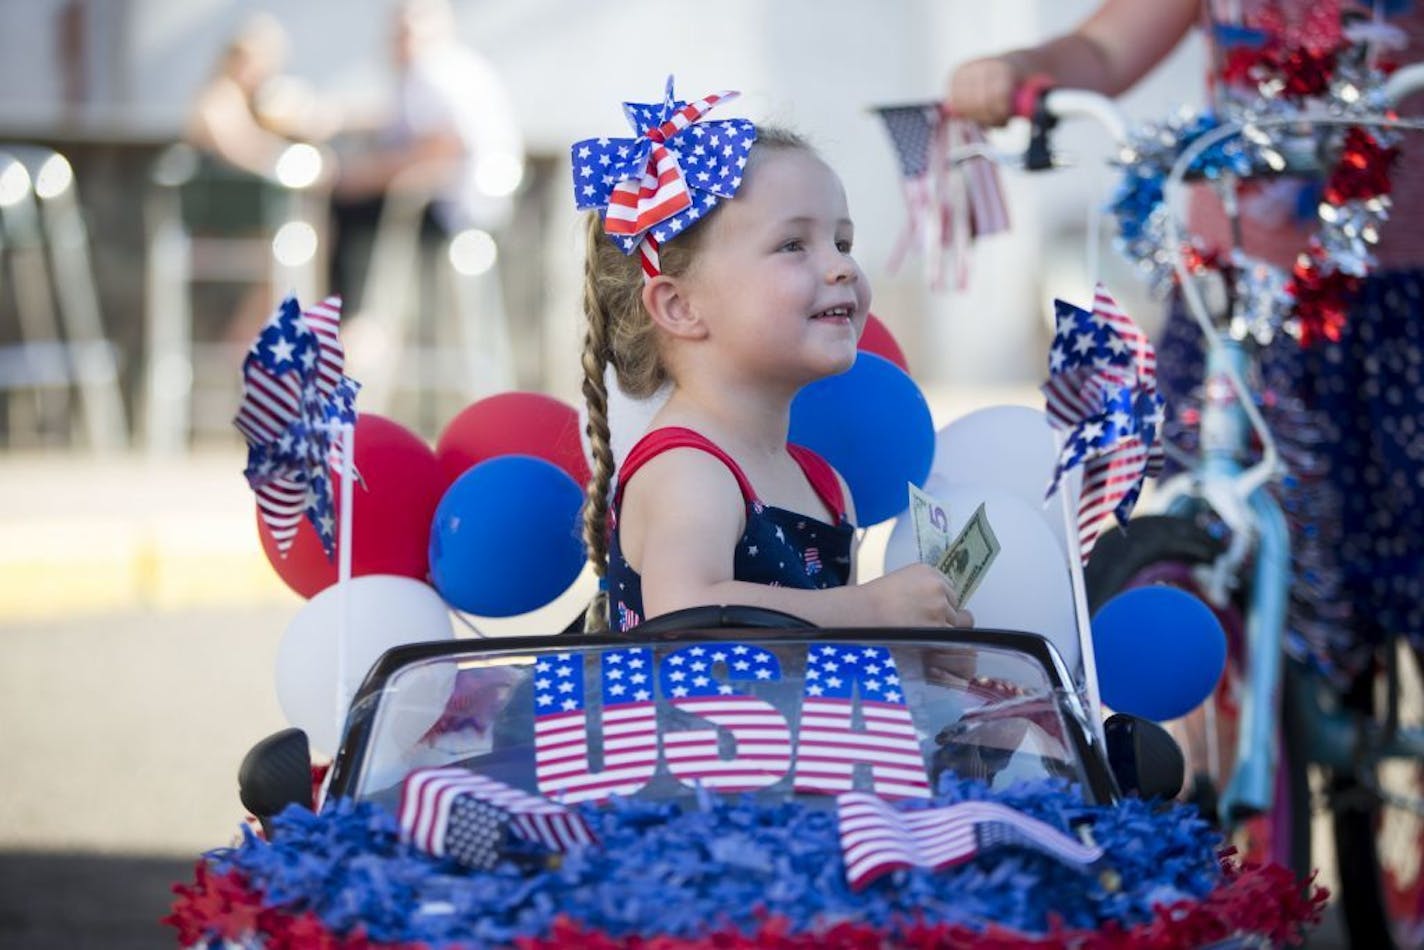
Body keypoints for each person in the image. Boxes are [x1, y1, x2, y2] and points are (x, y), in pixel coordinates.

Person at [946, 1, 1424, 684]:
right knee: (1219, 552)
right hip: (1228, 304)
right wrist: (1020, 69)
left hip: (1394, 307)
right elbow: (1106, 50)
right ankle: (1241, 746)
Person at [574, 81, 975, 633]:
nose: (842, 268)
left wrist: (918, 656)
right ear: (679, 305)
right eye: (793, 246)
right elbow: (684, 614)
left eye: (843, 242)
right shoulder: (689, 469)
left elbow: (826, 659)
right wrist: (875, 611)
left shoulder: (825, 485)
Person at [328, 0, 523, 303]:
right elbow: (398, 123)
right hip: (487, 209)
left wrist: (356, 177)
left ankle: (349, 323)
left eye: (407, 31)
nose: (399, 41)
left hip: (450, 210)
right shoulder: (459, 67)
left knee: (341, 208)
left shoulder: (432, 71)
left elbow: (435, 151)